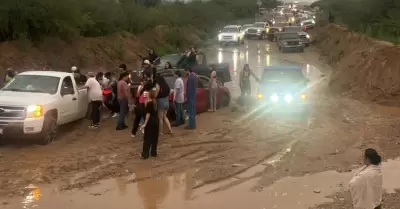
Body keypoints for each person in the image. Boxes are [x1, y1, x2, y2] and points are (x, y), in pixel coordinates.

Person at [132, 71, 154, 137]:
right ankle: (145, 131)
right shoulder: (146, 92)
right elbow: (145, 101)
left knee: (137, 120)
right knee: (146, 120)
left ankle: (133, 133)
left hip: (138, 106)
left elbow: (137, 97)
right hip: (142, 107)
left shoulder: (141, 90)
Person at [140, 90, 159, 159]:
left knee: (147, 138)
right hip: (156, 121)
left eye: (148, 94)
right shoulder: (155, 102)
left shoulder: (149, 103)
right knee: (154, 137)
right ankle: (153, 152)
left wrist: (144, 124)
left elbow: (148, 114)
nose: (146, 95)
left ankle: (145, 154)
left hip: (150, 121)